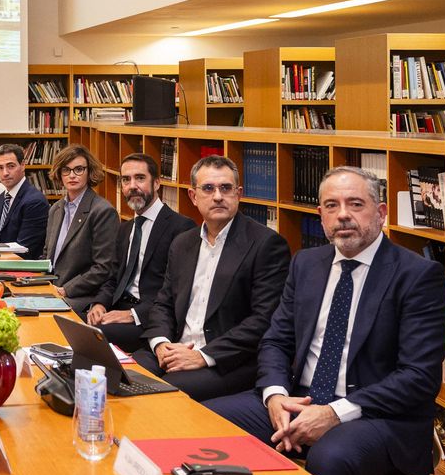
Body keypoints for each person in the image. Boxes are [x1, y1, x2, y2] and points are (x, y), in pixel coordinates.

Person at [205, 166, 445, 475]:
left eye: (355, 204)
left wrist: (335, 412)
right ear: (320, 216)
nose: (343, 215)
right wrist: (275, 395)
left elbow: (418, 378)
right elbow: (276, 340)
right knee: (205, 422)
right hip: (299, 400)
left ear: (381, 213)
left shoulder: (418, 276)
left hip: (378, 415)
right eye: (332, 206)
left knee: (330, 458)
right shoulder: (306, 263)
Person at [132, 155, 290, 401]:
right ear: (193, 197)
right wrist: (161, 344)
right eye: (208, 188)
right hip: (175, 348)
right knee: (126, 373)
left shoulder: (266, 244)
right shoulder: (183, 243)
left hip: (228, 360)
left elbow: (263, 320)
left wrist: (203, 356)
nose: (218, 196)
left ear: (238, 193)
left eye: (225, 188)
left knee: (163, 393)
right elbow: (163, 303)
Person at [87, 153, 195, 351]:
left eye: (140, 178)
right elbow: (113, 277)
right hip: (118, 307)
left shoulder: (182, 228)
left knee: (94, 336)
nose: (132, 186)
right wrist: (99, 304)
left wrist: (133, 314)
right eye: (126, 180)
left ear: (157, 183)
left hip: (150, 318)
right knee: (72, 323)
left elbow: (177, 291)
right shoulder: (126, 228)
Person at [43, 145, 119, 314]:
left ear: (89, 171)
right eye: (66, 170)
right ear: (59, 173)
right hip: (51, 290)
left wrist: (66, 290)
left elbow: (103, 268)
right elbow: (47, 255)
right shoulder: (56, 209)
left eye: (78, 169)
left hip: (79, 297)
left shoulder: (102, 211)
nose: (72, 175)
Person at [0, 143, 49, 260]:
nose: (5, 173)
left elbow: (24, 250)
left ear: (23, 165)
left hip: (20, 269)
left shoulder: (35, 201)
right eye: (0, 167)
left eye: (11, 166)